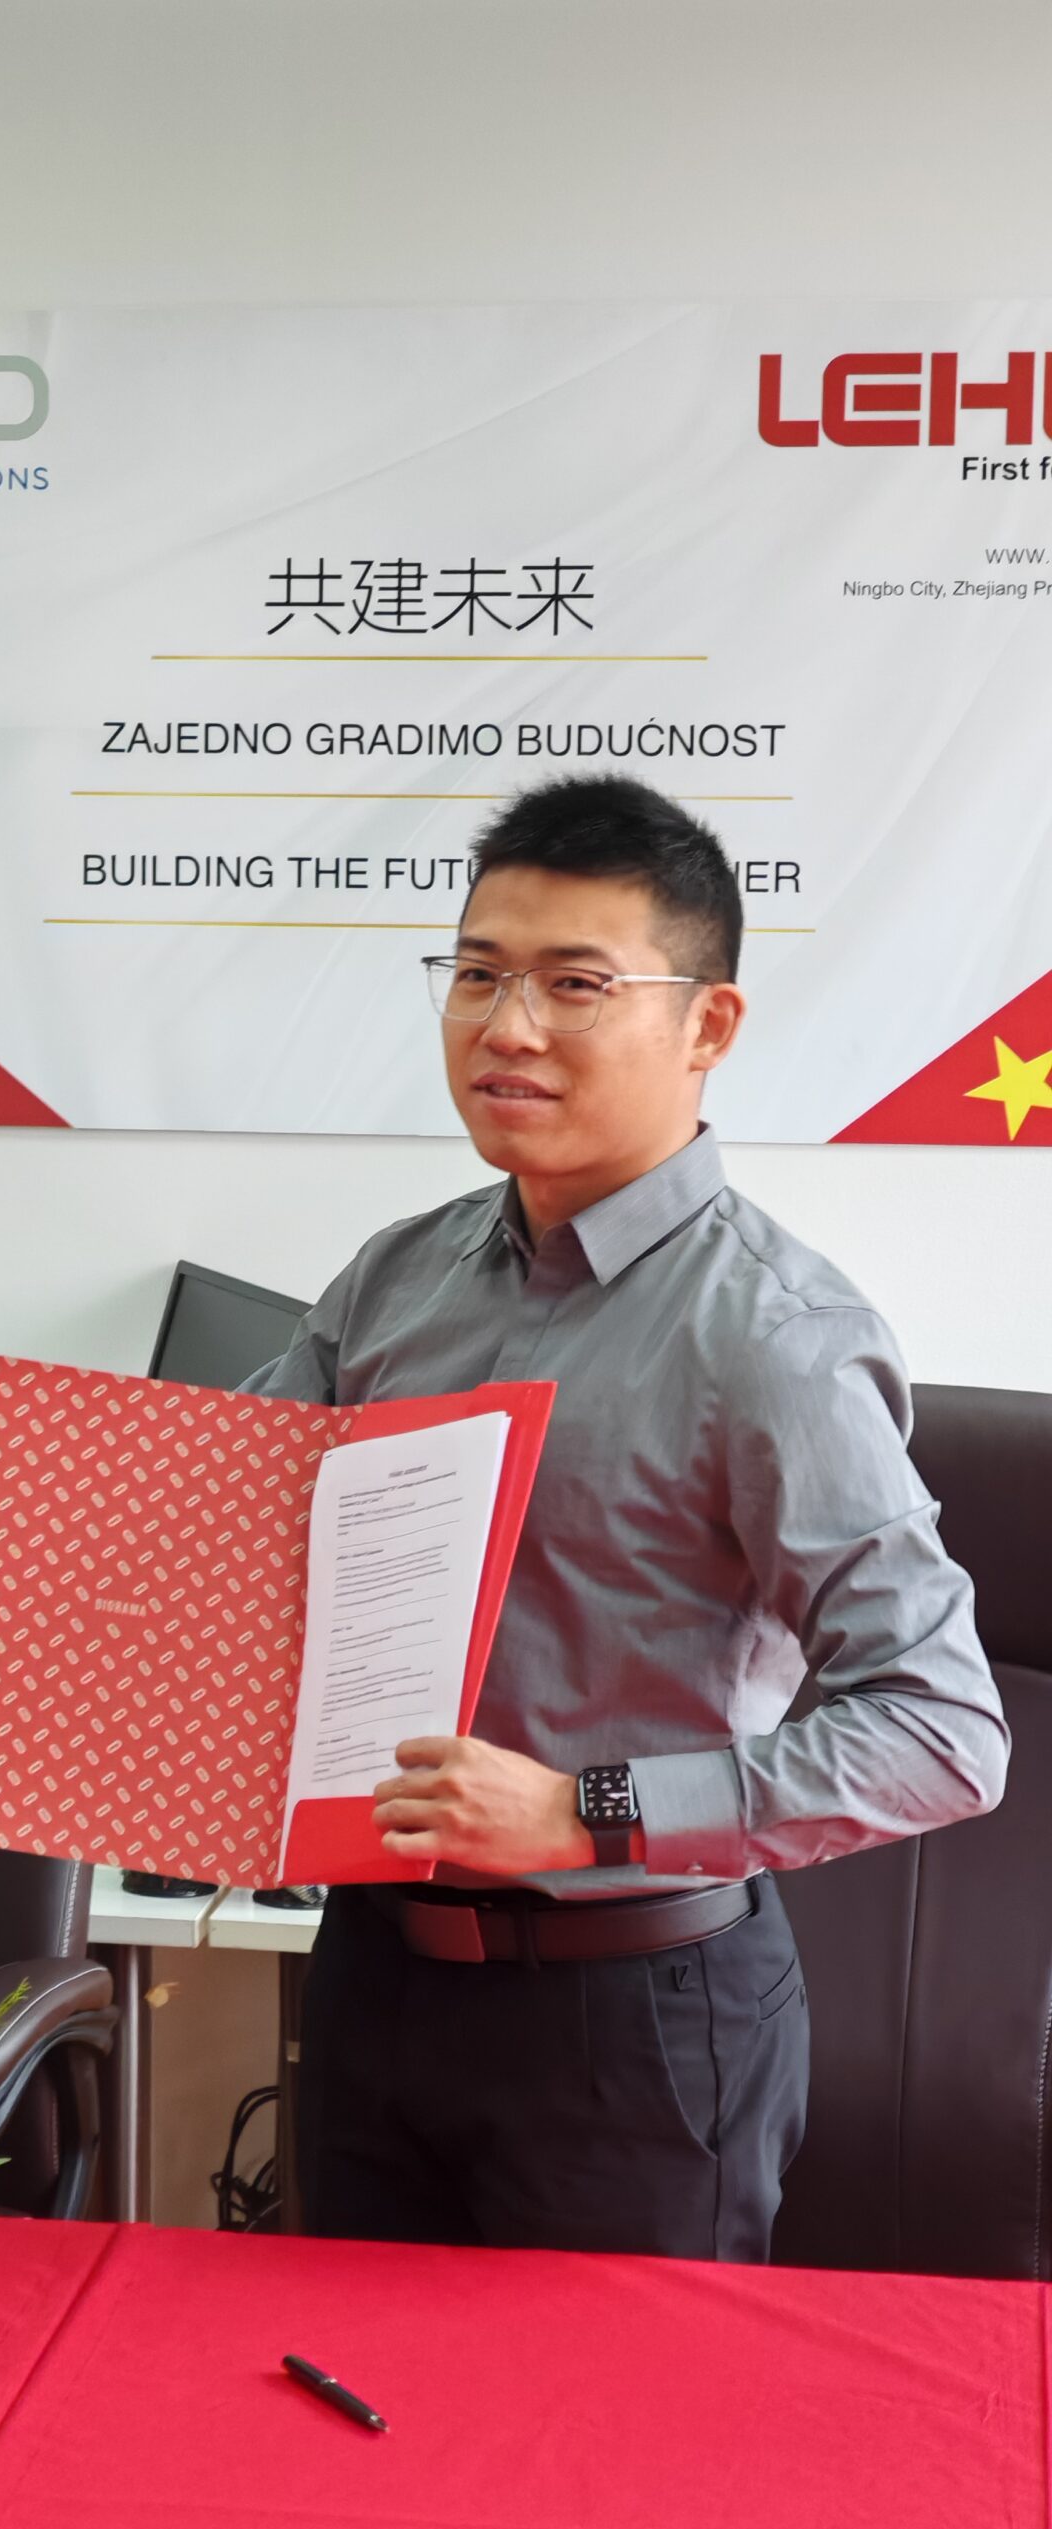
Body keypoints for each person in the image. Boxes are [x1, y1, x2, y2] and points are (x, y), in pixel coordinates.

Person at [241, 773, 1007, 2259]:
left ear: (708, 1026)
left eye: (576, 984)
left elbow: (943, 1731)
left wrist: (585, 1808)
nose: (507, 1025)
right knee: (342, 2396)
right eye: (478, 974)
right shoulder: (392, 1283)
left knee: (608, 2417)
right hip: (373, 1980)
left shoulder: (774, 1340)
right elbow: (175, 1542)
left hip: (636, 2022)